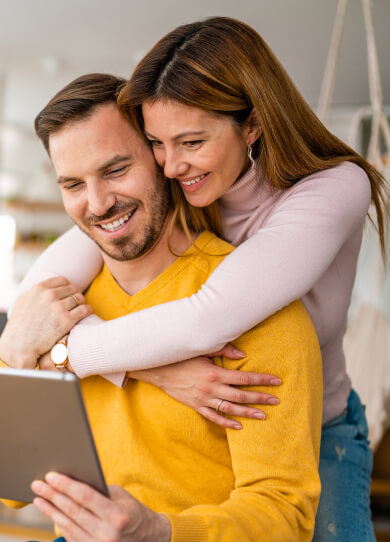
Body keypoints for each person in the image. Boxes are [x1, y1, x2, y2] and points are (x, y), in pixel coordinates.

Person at [14, 16, 387, 542]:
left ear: (252, 125)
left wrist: (49, 353)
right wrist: (19, 340)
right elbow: (60, 264)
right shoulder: (178, 195)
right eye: (157, 144)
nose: (171, 165)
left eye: (190, 141)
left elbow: (206, 321)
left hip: (317, 418)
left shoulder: (328, 191)